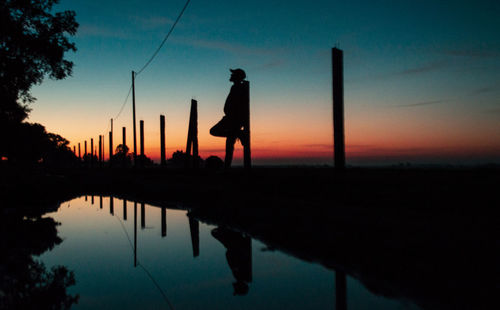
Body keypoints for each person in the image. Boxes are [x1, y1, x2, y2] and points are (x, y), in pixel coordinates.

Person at [210, 68, 249, 168]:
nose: (230, 76)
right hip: (230, 118)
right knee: (229, 144)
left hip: (232, 119)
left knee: (214, 131)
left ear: (237, 76)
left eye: (233, 75)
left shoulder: (238, 88)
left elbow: (241, 106)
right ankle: (227, 168)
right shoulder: (235, 87)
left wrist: (239, 121)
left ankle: (238, 133)